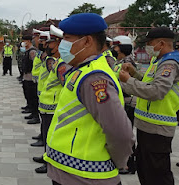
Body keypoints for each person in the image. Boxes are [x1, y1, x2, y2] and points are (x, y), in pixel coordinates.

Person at [44, 13, 134, 185]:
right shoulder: (81, 70)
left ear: (86, 41)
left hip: (85, 176)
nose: (62, 45)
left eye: (67, 39)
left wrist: (116, 162)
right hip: (72, 172)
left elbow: (121, 134)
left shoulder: (94, 79)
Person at [119, 27, 179, 185]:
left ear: (161, 43)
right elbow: (149, 83)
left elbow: (156, 91)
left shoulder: (170, 64)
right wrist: (134, 74)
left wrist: (128, 81)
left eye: (150, 44)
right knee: (145, 171)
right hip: (146, 126)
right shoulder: (158, 61)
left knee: (158, 175)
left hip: (159, 128)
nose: (147, 48)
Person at [33, 25, 71, 173]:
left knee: (51, 137)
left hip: (54, 107)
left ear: (59, 44)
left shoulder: (62, 65)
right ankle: (46, 157)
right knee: (47, 134)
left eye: (50, 43)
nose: (47, 46)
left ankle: (50, 163)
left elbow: (65, 86)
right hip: (47, 106)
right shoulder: (56, 62)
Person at [111, 35, 138, 175]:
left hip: (128, 101)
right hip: (122, 101)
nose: (113, 49)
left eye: (115, 46)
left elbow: (126, 83)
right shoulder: (119, 61)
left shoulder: (127, 63)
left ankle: (130, 164)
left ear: (122, 48)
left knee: (127, 132)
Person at [21, 35, 40, 124]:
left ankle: (35, 115)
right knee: (28, 94)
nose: (23, 43)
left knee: (33, 97)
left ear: (28, 41)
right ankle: (32, 111)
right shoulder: (27, 51)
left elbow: (35, 65)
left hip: (31, 77)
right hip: (26, 76)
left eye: (24, 40)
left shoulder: (32, 51)